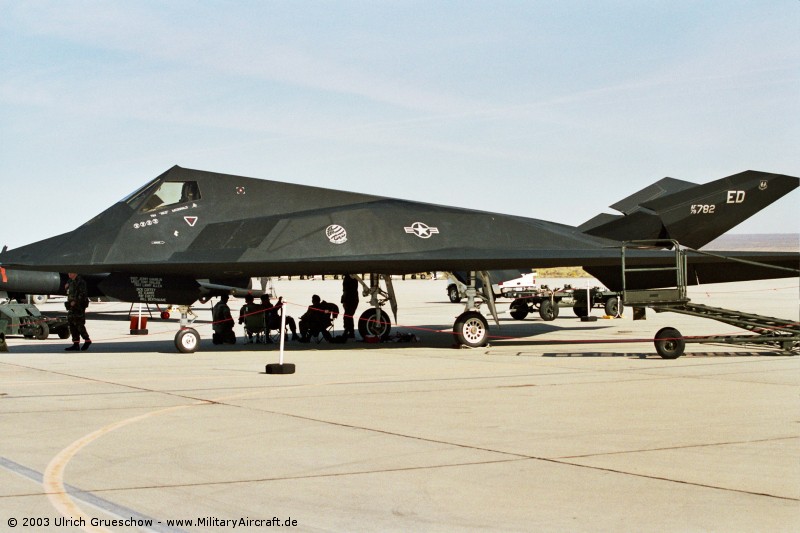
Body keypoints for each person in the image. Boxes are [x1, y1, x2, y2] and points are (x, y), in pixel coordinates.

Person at [64, 272, 91, 351]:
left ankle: (87, 340)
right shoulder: (70, 281)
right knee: (72, 323)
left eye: (71, 273)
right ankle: (76, 343)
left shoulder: (81, 282)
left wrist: (75, 301)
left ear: (75, 273)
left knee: (79, 324)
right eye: (68, 273)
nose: (69, 274)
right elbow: (69, 291)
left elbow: (83, 294)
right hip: (71, 306)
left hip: (78, 306)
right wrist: (66, 287)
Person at [341, 274, 359, 339]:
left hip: (350, 300)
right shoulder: (354, 278)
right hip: (353, 299)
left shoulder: (348, 279)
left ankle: (347, 331)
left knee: (347, 317)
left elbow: (346, 291)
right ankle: (351, 332)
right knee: (349, 317)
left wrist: (344, 301)